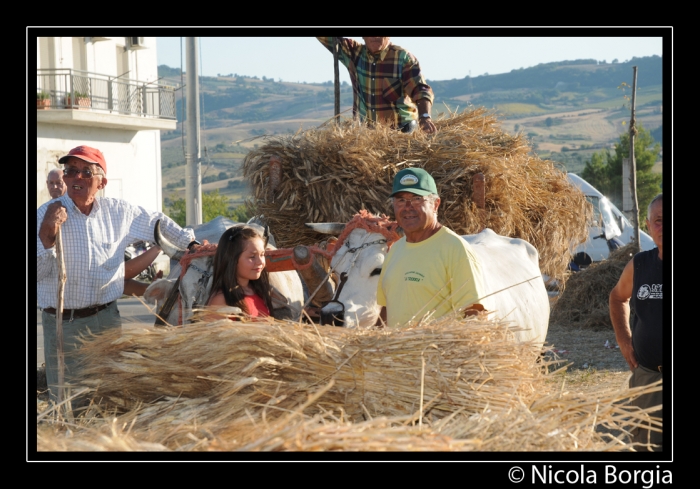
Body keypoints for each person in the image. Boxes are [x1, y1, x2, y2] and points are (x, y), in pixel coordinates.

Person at [37, 145, 200, 404]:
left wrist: (192, 245)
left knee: (110, 395)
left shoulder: (118, 213)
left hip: (107, 320)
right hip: (63, 325)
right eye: (71, 172)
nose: (76, 178)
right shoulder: (45, 216)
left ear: (102, 183)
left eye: (86, 172)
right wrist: (47, 238)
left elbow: (157, 221)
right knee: (70, 403)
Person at [376, 168, 486, 327]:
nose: (408, 207)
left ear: (436, 204)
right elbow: (386, 311)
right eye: (400, 200)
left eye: (417, 199)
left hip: (437, 351)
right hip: (397, 351)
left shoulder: (455, 249)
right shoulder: (395, 250)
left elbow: (474, 314)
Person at [609, 194, 663, 451]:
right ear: (648, 225)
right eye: (658, 221)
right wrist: (624, 339)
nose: (664, 227)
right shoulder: (640, 265)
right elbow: (618, 297)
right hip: (648, 378)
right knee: (646, 447)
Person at [317, 37, 437, 135]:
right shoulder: (353, 53)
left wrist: (425, 117)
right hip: (367, 137)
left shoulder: (402, 58)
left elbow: (420, 90)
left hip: (402, 133)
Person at [205, 226, 274, 319]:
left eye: (262, 255)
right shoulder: (221, 300)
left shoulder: (259, 291)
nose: (260, 262)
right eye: (252, 257)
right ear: (231, 259)